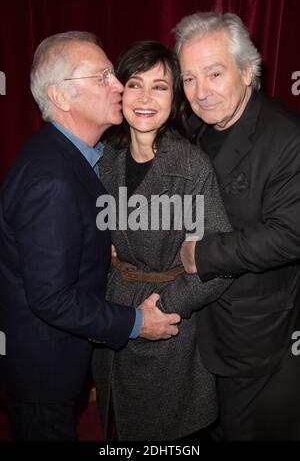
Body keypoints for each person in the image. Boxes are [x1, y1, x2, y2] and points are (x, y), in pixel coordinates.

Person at [0, 31, 181, 441]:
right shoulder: (52, 179)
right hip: (42, 377)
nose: (119, 85)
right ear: (61, 97)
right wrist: (137, 322)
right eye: (102, 77)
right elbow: (51, 298)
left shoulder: (71, 156)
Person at [92, 40, 233, 441]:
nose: (145, 98)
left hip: (169, 331)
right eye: (135, 84)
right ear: (120, 91)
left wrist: (163, 309)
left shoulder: (191, 167)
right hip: (112, 321)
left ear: (175, 97)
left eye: (160, 86)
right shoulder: (105, 158)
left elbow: (218, 265)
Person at [175, 12, 300, 440]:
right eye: (189, 78)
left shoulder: (288, 138)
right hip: (196, 330)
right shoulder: (192, 129)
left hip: (251, 336)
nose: (201, 92)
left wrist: (201, 255)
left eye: (214, 73)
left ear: (247, 71)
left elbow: (290, 235)